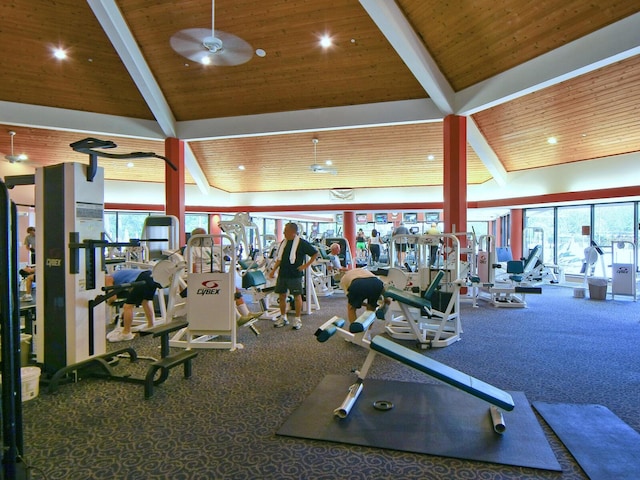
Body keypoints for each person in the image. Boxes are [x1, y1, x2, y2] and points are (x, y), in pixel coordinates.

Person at [268, 222, 318, 330]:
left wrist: (305, 266)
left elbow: (315, 253)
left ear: (292, 231)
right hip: (283, 273)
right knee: (282, 296)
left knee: (297, 296)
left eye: (285, 230)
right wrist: (273, 271)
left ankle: (297, 319)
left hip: (295, 274)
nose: (284, 232)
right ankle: (283, 317)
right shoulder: (283, 243)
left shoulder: (302, 243)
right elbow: (279, 259)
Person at [105, 268, 161, 342]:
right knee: (145, 302)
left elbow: (113, 297)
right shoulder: (117, 274)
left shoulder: (107, 278)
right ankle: (151, 325)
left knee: (127, 307)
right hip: (151, 276)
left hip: (142, 278)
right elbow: (131, 289)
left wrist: (109, 303)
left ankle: (126, 333)